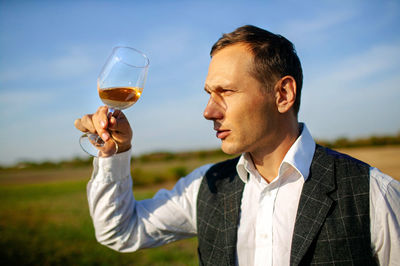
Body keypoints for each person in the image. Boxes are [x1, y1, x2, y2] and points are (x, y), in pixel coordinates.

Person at [74, 25, 400, 265]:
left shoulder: (375, 195)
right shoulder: (207, 186)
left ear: (283, 94)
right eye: (208, 94)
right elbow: (119, 231)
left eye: (226, 92)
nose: (208, 111)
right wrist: (113, 154)